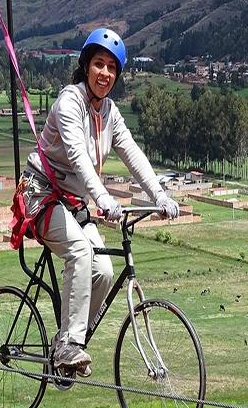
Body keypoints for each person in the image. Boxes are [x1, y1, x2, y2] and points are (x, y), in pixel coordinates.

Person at [18, 28, 180, 376]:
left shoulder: (109, 112)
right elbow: (77, 157)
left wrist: (160, 195)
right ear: (86, 66)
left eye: (111, 68)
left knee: (105, 271)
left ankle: (69, 341)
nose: (104, 73)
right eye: (98, 64)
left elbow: (132, 153)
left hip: (72, 201)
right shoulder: (69, 102)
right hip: (40, 193)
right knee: (80, 250)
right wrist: (103, 199)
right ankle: (68, 346)